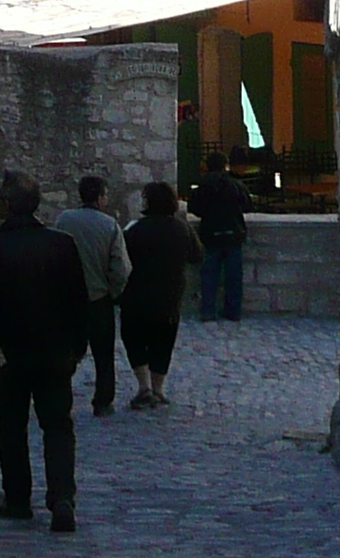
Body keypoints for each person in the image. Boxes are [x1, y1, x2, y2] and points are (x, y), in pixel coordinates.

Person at [0, 172, 91, 532]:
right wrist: (77, 347)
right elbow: (79, 302)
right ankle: (62, 496)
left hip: (10, 356)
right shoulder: (61, 245)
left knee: (12, 427)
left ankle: (18, 497)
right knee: (58, 427)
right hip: (55, 353)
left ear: (5, 205)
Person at [49, 174, 134, 418]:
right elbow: (121, 267)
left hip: (69, 299)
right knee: (103, 355)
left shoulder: (64, 220)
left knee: (66, 352)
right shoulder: (109, 225)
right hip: (98, 299)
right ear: (99, 198)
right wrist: (113, 291)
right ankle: (103, 401)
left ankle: (59, 396)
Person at [120, 180, 203, 407]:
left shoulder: (135, 229)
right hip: (169, 295)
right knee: (163, 342)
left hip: (137, 295)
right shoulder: (181, 228)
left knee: (135, 341)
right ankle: (158, 389)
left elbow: (121, 258)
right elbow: (197, 256)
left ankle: (144, 386)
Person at [189, 163, 250, 321]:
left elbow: (194, 207)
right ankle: (233, 311)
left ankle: (208, 311)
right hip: (233, 233)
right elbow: (247, 205)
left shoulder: (203, 186)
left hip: (211, 234)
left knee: (209, 275)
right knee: (234, 276)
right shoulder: (236, 184)